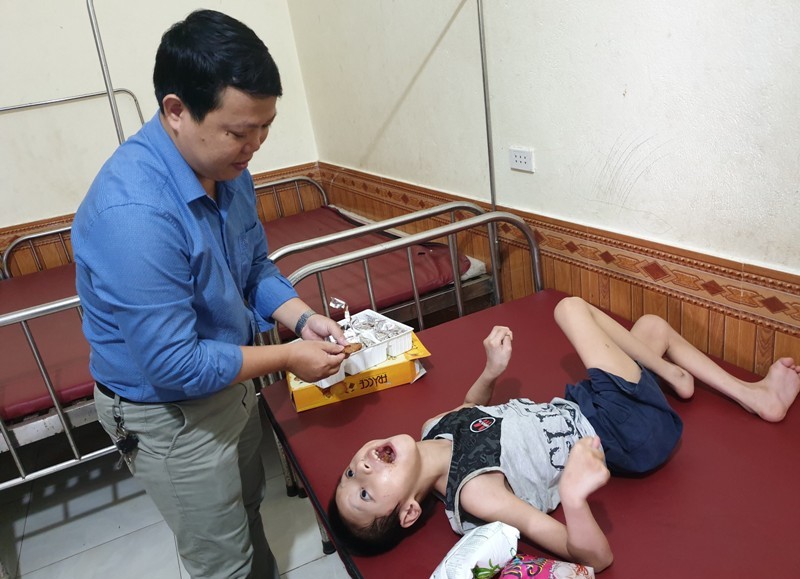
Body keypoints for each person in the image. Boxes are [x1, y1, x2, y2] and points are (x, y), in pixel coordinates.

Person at [72, 9, 349, 579]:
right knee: (221, 560)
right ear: (176, 111)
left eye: (265, 127)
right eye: (239, 132)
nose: (255, 146)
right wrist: (289, 357)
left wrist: (301, 319)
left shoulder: (228, 171)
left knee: (247, 511)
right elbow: (174, 365)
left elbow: (253, 268)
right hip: (169, 413)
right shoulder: (134, 214)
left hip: (230, 376)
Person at [329, 296, 800, 571]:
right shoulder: (475, 492)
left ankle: (675, 379)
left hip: (585, 404)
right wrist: (573, 498)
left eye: (350, 473)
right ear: (410, 511)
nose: (362, 468)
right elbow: (594, 558)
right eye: (365, 493)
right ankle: (746, 395)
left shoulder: (432, 429)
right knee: (570, 308)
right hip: (623, 432)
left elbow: (470, 411)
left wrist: (491, 371)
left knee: (651, 328)